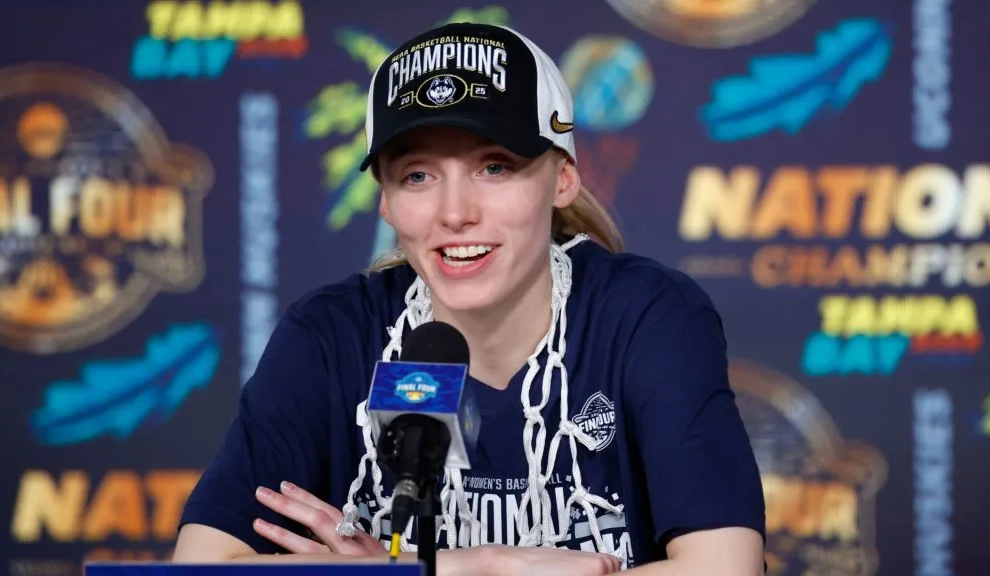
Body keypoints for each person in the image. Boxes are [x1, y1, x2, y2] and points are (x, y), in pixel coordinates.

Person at [172, 21, 766, 575]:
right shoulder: (330, 335)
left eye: (494, 167)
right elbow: (199, 566)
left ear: (563, 177)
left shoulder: (647, 315)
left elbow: (726, 567)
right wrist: (464, 566)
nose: (455, 213)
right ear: (386, 201)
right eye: (418, 176)